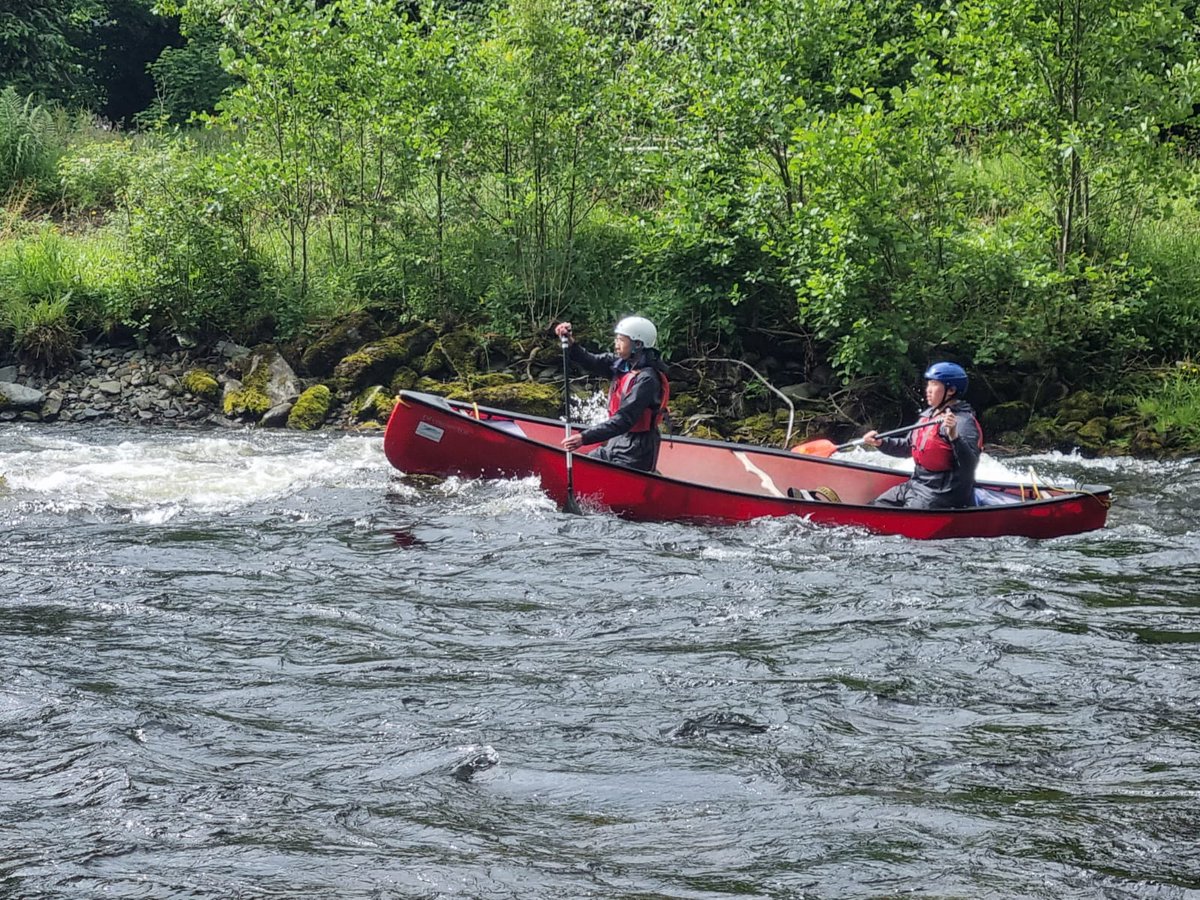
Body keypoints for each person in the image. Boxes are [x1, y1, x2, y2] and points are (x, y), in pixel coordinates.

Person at [554, 316, 670, 472]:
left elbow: (624, 419)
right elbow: (590, 361)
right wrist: (570, 343)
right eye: (616, 339)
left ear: (637, 344)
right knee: (583, 466)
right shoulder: (621, 364)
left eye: (621, 340)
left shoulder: (647, 379)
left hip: (637, 451)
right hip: (617, 441)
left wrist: (584, 437)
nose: (616, 344)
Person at [862, 362, 983, 509]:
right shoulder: (929, 415)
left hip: (942, 493)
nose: (928, 390)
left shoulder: (963, 422)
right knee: (876, 506)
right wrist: (881, 443)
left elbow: (970, 464)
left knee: (900, 517)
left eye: (934, 384)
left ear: (951, 390)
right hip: (916, 484)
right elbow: (908, 447)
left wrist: (954, 436)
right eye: (928, 384)